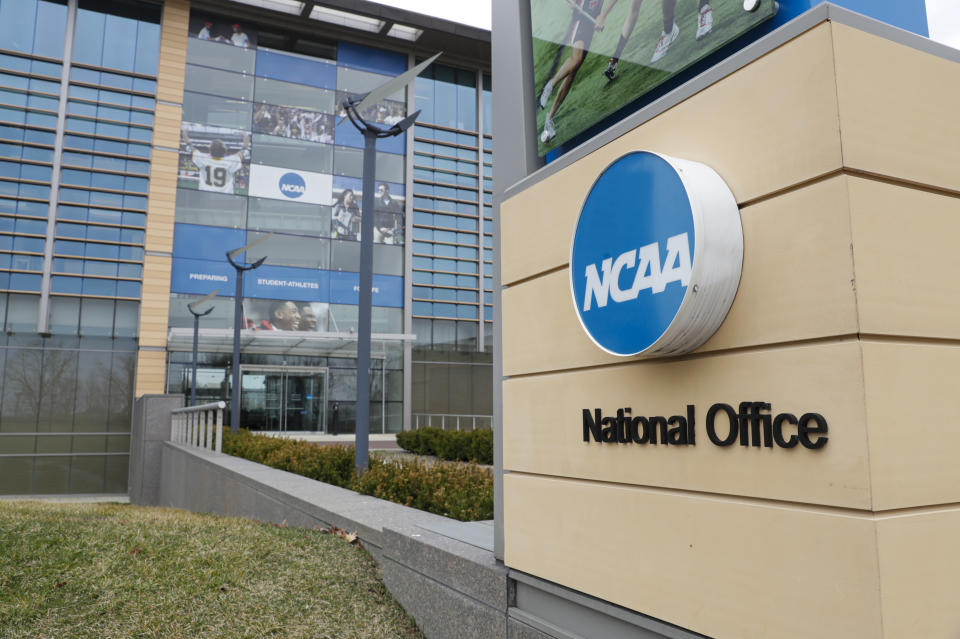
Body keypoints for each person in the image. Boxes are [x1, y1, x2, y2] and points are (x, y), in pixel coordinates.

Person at [538, 0, 606, 144]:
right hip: (580, 19)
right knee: (577, 58)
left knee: (572, 74)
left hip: (590, 20)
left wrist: (601, 17)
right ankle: (550, 84)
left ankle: (549, 119)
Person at [183, 129, 247, 194]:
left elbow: (189, 146)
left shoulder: (203, 159)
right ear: (224, 151)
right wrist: (245, 136)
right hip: (225, 197)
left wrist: (184, 134)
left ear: (210, 151)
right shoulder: (231, 161)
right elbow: (244, 150)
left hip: (205, 196)